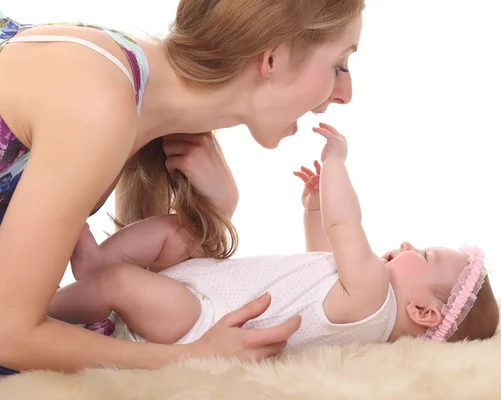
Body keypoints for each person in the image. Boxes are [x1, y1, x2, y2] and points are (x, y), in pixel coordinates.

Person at [0, 0, 364, 374]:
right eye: (340, 65)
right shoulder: (100, 104)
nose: (345, 93)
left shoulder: (140, 81)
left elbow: (137, 291)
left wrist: (221, 207)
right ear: (271, 60)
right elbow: (9, 335)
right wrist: (193, 357)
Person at [48, 123, 500, 348]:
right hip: (201, 287)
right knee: (176, 231)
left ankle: (41, 308)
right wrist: (315, 208)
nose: (405, 245)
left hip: (199, 321)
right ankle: (93, 264)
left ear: (423, 311)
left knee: (123, 284)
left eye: (421, 255)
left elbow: (345, 229)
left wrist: (337, 162)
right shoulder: (361, 305)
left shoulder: (374, 296)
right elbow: (324, 251)